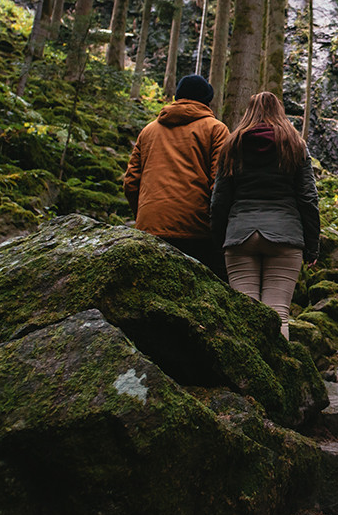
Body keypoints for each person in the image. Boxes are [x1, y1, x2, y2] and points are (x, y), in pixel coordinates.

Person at [210, 92, 320, 339]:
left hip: (240, 235)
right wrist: (313, 246)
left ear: (247, 112)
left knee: (244, 315)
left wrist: (219, 241)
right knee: (279, 313)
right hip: (285, 236)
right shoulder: (295, 145)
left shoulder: (232, 145)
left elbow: (219, 200)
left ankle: (247, 376)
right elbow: (308, 199)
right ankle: (277, 376)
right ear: (280, 112)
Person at [123, 74, 229, 276]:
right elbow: (221, 184)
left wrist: (145, 215)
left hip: (150, 227)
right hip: (197, 229)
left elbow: (130, 182)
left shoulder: (148, 131)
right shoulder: (216, 129)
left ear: (177, 96)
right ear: (207, 100)